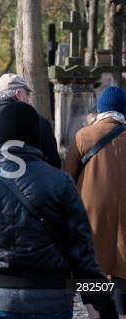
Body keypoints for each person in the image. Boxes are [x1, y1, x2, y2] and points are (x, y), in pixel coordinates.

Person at [0, 102, 118, 319]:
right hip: (52, 299)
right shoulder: (62, 183)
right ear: (37, 136)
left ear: (1, 138)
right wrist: (105, 304)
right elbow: (83, 256)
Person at [63, 86, 126, 319]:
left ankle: (96, 313)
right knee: (122, 273)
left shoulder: (84, 136)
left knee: (90, 267)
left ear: (100, 110)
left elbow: (67, 178)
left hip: (90, 216)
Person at [0, 73, 61, 177]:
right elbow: (54, 166)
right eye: (27, 94)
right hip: (33, 190)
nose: (28, 99)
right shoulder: (40, 122)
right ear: (18, 94)